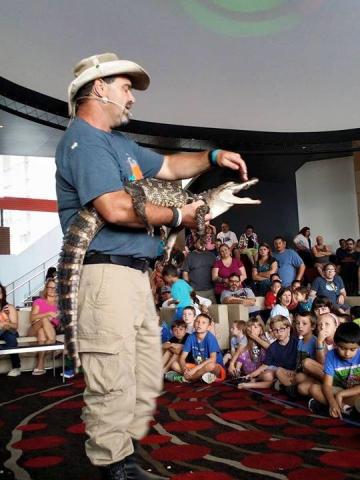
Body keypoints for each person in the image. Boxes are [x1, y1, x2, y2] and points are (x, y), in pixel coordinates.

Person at [55, 52, 248, 479]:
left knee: (134, 374)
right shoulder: (84, 139)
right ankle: (113, 468)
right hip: (105, 270)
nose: (133, 98)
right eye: (125, 87)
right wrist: (182, 215)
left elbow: (173, 166)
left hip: (135, 274)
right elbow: (115, 207)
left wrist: (213, 157)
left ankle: (120, 458)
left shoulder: (120, 145)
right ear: (99, 87)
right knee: (111, 376)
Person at [308, 322, 360, 417]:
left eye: (352, 350)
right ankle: (346, 409)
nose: (347, 353)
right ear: (336, 344)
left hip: (354, 392)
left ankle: (334, 407)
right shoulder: (331, 355)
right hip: (338, 389)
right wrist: (332, 402)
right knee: (314, 389)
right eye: (343, 348)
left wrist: (341, 394)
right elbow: (327, 385)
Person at [237, 315, 298, 390]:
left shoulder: (297, 343)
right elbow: (265, 365)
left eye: (282, 329)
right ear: (272, 331)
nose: (279, 332)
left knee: (289, 378)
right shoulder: (272, 347)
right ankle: (246, 385)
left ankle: (285, 386)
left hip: (294, 372)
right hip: (280, 373)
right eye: (275, 330)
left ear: (288, 329)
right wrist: (251, 374)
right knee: (270, 375)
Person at [178, 313, 226, 384]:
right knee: (174, 364)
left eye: (203, 323)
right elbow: (182, 357)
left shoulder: (210, 338)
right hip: (198, 366)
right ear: (194, 324)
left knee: (211, 366)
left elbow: (213, 359)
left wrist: (194, 369)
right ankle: (200, 377)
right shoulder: (191, 337)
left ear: (208, 327)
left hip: (215, 368)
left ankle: (190, 378)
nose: (199, 324)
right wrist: (184, 369)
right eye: (197, 322)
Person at [28, 278, 58, 375]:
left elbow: (59, 322)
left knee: (42, 333)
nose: (52, 290)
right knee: (44, 320)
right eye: (50, 287)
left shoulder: (60, 305)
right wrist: (47, 314)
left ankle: (39, 365)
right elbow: (32, 318)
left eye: (55, 288)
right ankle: (52, 342)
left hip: (49, 329)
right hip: (33, 328)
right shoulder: (39, 301)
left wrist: (49, 320)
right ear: (46, 288)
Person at [182, 237, 216, 303]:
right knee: (198, 311)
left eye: (203, 242)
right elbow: (185, 272)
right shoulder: (190, 256)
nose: (202, 243)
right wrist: (188, 288)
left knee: (214, 311)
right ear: (195, 244)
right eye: (199, 242)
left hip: (210, 290)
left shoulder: (212, 256)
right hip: (195, 291)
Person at [0, 283, 21, 377]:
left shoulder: (9, 307)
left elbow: (15, 326)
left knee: (11, 336)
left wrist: (5, 323)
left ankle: (16, 367)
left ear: (2, 295)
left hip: (8, 330)